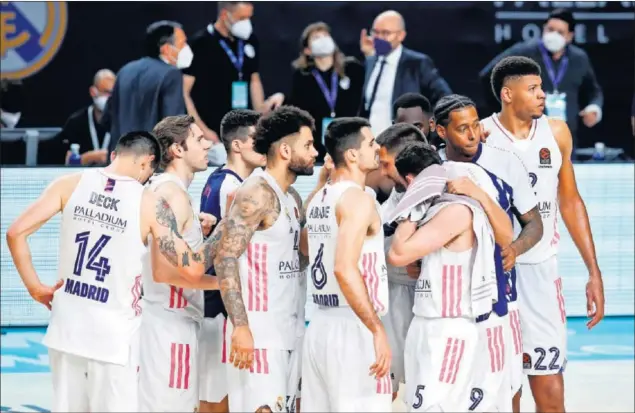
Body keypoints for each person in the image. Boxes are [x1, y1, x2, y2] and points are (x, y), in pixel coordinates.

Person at [5, 131, 221, 412]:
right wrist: (226, 229)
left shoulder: (68, 184)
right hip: (114, 338)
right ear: (148, 163)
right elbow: (192, 269)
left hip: (66, 330)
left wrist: (35, 288)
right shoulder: (150, 203)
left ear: (115, 154)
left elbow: (15, 233)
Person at [484, 55, 605, 413]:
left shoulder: (556, 132)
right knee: (504, 392)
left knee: (551, 393)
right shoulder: (483, 135)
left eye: (541, 88)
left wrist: (593, 271)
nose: (542, 95)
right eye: (533, 89)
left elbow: (570, 201)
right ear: (508, 94)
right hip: (495, 274)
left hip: (542, 271)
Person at [434, 94, 543, 412]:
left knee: (508, 390)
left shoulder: (506, 162)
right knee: (451, 396)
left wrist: (516, 248)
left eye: (475, 126)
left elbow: (534, 224)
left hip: (500, 299)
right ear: (441, 132)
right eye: (461, 128)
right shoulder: (432, 167)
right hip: (451, 306)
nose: (471, 135)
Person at [386, 141, 510, 412]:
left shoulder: (455, 210)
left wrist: (413, 206)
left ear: (411, 181)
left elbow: (397, 254)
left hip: (449, 327)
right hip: (427, 322)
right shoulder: (435, 210)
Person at [213, 105, 316, 412]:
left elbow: (297, 260)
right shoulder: (256, 192)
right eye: (308, 145)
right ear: (285, 150)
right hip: (259, 335)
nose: (315, 152)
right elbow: (225, 258)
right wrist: (241, 327)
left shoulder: (292, 197)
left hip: (289, 329)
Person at [301, 117, 392, 412]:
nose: (377, 148)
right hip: (354, 326)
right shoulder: (357, 199)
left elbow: (305, 247)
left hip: (320, 326)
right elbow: (343, 267)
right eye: (370, 143)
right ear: (352, 154)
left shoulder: (320, 198)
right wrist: (377, 329)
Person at [138, 115, 219, 411]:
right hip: (169, 322)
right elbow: (163, 270)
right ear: (177, 149)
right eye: (199, 139)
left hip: (164, 322)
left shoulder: (166, 190)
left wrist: (199, 233)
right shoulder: (171, 194)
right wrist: (223, 283)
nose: (208, 143)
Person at [198, 109, 265, 413]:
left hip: (212, 305)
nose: (264, 145)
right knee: (218, 399)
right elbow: (225, 254)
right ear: (237, 145)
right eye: (257, 139)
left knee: (213, 395)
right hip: (220, 309)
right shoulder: (232, 187)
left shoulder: (217, 179)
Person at [479, 9, 603, 153]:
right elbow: (488, 75)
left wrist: (594, 108)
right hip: (528, 137)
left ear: (569, 36)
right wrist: (507, 110)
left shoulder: (579, 58)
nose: (553, 35)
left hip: (564, 137)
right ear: (543, 29)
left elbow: (593, 90)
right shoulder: (523, 52)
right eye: (550, 29)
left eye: (560, 32)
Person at [183, 1, 285, 165]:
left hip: (241, 128)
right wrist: (202, 130)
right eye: (242, 18)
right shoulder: (200, 43)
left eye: (249, 17)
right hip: (212, 128)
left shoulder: (249, 40)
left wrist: (260, 112)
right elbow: (184, 91)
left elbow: (254, 80)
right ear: (224, 15)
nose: (247, 23)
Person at [359, 10, 451, 136]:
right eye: (375, 32)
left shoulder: (418, 63)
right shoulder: (371, 61)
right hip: (372, 144)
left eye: (385, 33)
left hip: (403, 143)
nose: (379, 38)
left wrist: (428, 131)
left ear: (401, 35)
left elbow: (445, 98)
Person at [104, 21, 190, 156]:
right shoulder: (171, 74)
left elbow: (106, 119)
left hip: (119, 160)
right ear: (166, 49)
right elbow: (173, 127)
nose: (186, 48)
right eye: (183, 43)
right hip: (151, 164)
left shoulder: (124, 71)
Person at [288, 21, 365, 161]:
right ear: (307, 50)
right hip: (316, 143)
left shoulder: (352, 68)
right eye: (316, 37)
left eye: (325, 35)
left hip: (348, 139)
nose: (322, 40)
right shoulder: (302, 76)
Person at [39, 69, 115, 166]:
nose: (110, 97)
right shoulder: (76, 122)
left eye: (113, 93)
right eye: (106, 92)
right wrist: (89, 157)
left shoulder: (123, 123)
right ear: (93, 92)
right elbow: (64, 161)